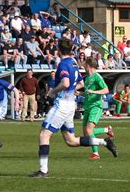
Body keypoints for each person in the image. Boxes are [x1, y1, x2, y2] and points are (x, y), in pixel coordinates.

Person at [30, 38, 118, 178]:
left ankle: (43, 170)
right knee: (71, 140)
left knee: (44, 135)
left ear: (58, 50)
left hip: (62, 105)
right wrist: (71, 90)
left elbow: (65, 83)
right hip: (71, 104)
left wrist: (53, 91)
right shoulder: (74, 63)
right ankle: (104, 141)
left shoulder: (63, 64)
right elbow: (81, 83)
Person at [82, 57, 114, 160]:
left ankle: (96, 154)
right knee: (86, 133)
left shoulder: (97, 77)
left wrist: (94, 92)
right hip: (87, 106)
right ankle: (106, 129)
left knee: (88, 130)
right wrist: (80, 93)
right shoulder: (87, 78)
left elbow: (106, 90)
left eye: (84, 64)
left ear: (88, 65)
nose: (83, 65)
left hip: (96, 106)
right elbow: (88, 93)